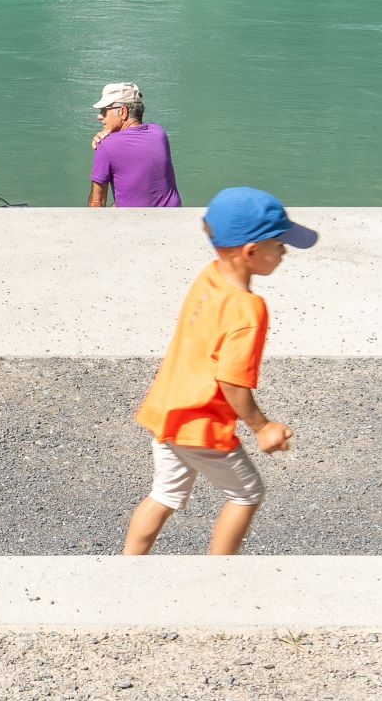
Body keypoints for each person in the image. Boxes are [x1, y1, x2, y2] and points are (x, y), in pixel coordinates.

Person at [121, 187, 313, 557]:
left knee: (164, 493)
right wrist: (262, 427)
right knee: (246, 494)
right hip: (200, 423)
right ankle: (220, 576)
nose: (285, 251)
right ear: (251, 252)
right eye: (279, 244)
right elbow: (231, 381)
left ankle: (127, 567)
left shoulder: (209, 276)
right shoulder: (248, 309)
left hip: (168, 411)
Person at [87, 81, 181, 208]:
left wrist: (103, 145)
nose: (99, 116)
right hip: (173, 219)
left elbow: (96, 203)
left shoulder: (106, 146)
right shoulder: (159, 132)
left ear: (123, 112)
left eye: (104, 111)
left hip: (135, 223)